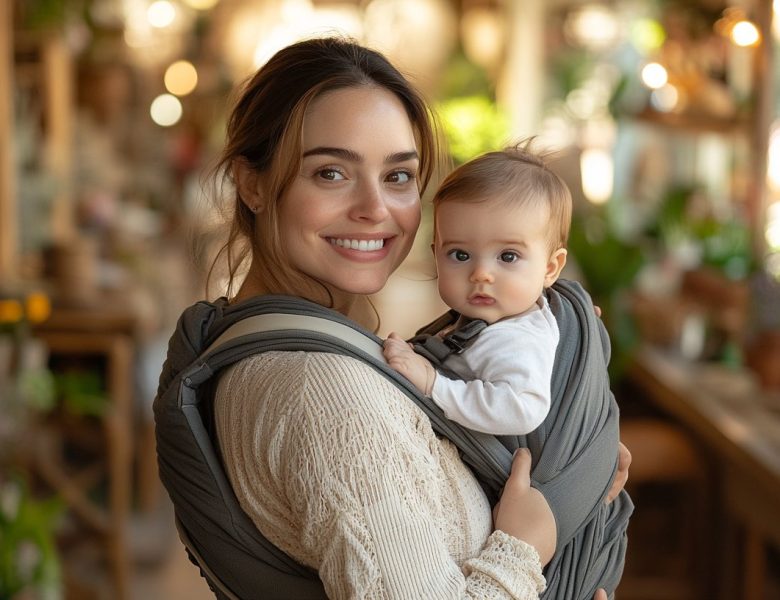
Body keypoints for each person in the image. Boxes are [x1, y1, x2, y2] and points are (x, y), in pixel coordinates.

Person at [154, 36, 630, 599]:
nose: (375, 209)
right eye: (331, 172)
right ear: (252, 183)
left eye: (398, 176)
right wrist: (525, 546)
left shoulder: (301, 351)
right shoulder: (324, 393)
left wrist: (571, 469)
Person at [383, 144, 570, 437]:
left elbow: (521, 410)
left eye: (508, 256)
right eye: (460, 255)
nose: (481, 274)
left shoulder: (520, 339)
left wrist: (434, 382)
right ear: (436, 256)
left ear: (550, 268)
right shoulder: (491, 322)